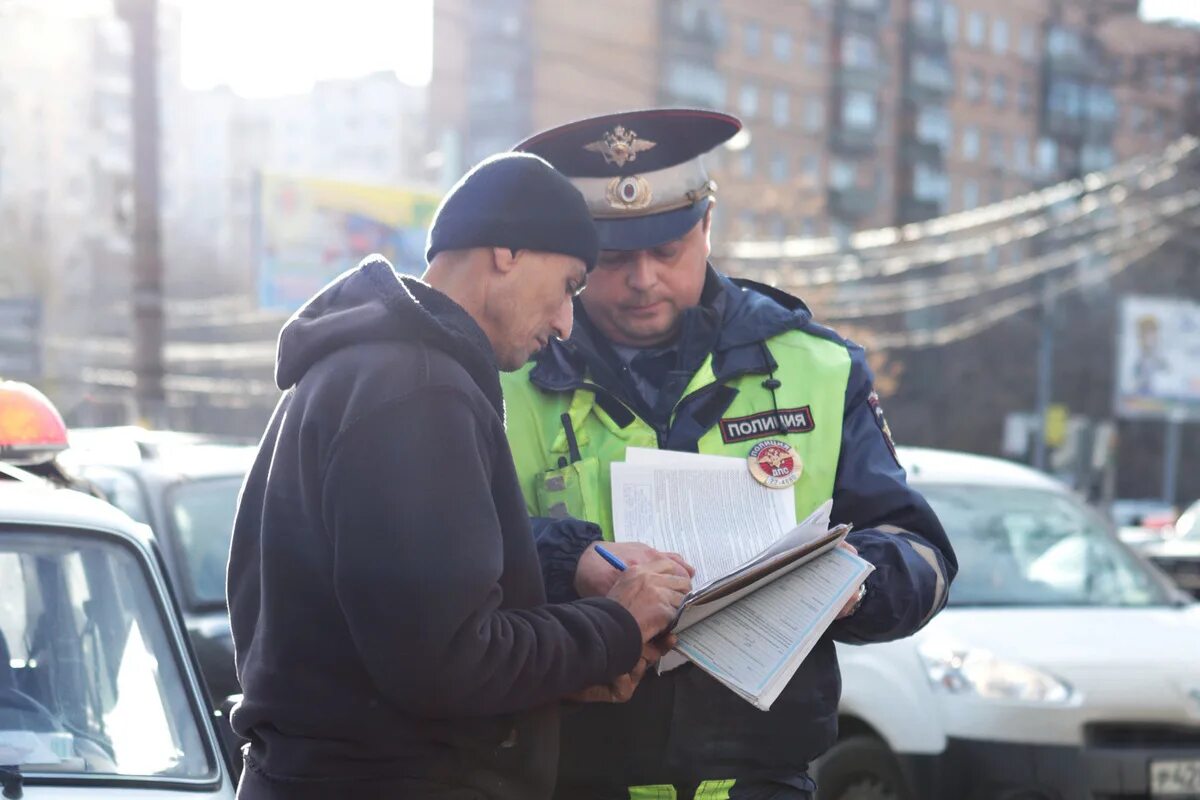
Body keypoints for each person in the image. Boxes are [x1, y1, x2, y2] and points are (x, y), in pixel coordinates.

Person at [501, 109, 958, 800]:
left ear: (708, 225)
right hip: (569, 772)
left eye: (670, 249)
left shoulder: (819, 366)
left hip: (762, 774)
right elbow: (463, 560)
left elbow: (922, 554)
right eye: (615, 259)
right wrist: (576, 565)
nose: (644, 280)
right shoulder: (509, 375)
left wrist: (849, 584)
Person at [226, 152, 693, 800]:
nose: (565, 325)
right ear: (507, 249)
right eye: (568, 285)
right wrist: (616, 626)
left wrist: (570, 672)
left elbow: (394, 650)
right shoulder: (417, 389)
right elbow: (449, 662)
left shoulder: (369, 371)